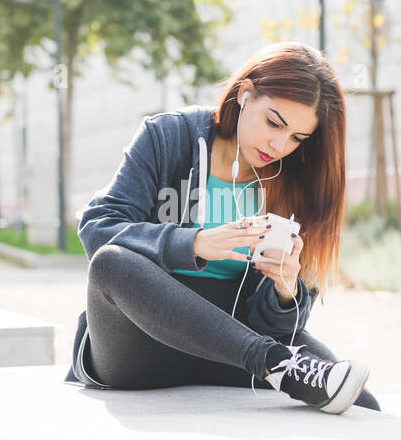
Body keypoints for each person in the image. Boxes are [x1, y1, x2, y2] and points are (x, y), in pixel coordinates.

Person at [65, 42, 380, 414]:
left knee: (361, 403)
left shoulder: (299, 180)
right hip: (140, 347)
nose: (279, 145)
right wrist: (194, 243)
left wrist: (285, 288)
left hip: (234, 347)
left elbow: (283, 323)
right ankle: (273, 362)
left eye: (298, 138)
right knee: (110, 262)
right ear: (245, 94)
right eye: (274, 122)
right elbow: (98, 225)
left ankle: (273, 362)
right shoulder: (168, 136)